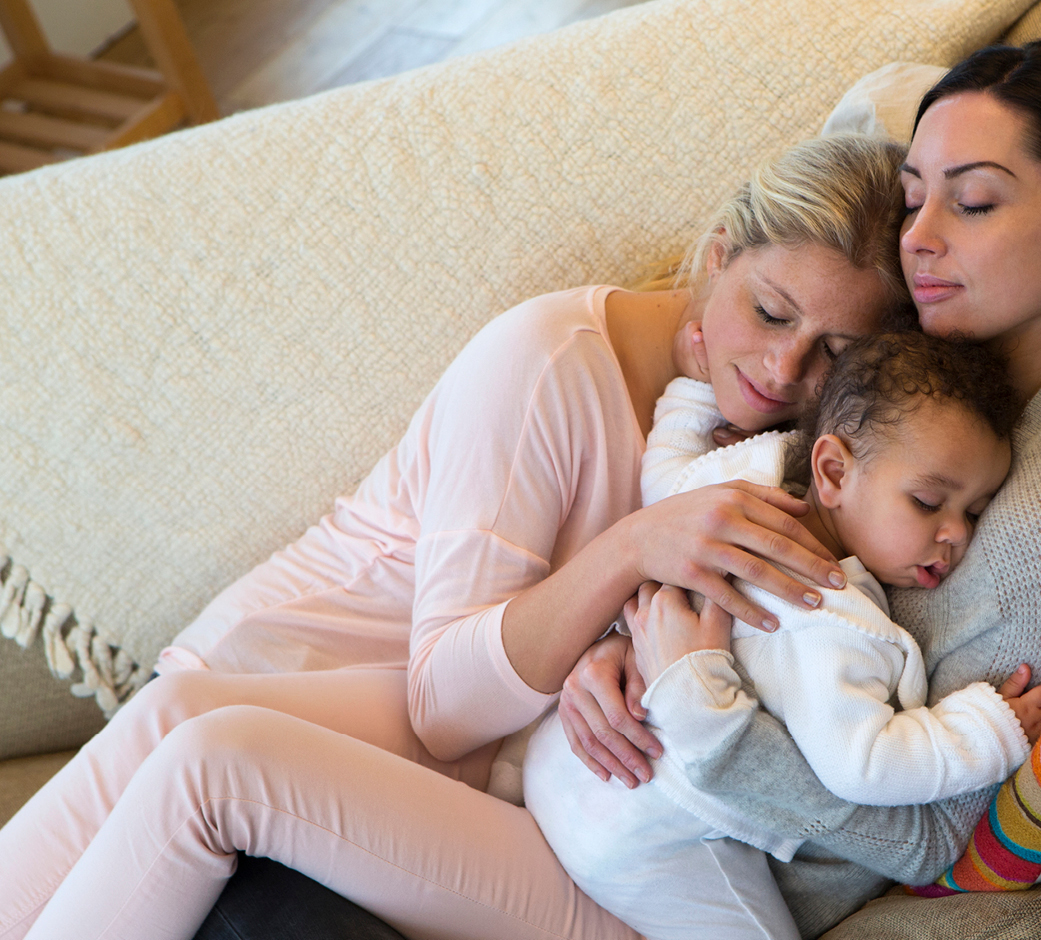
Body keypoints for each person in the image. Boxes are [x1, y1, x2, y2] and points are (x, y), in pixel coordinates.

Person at [0, 133, 913, 940]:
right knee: (180, 718)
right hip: (328, 701)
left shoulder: (798, 459)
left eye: (835, 352)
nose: (784, 367)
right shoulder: (549, 364)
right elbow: (446, 703)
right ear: (718, 257)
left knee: (200, 745)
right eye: (769, 311)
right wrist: (631, 553)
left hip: (552, 830)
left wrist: (622, 602)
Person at [560, 41, 1041, 938]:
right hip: (605, 764)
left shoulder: (1035, 535)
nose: (919, 238)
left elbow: (926, 828)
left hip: (691, 869)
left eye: (972, 202)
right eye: (914, 197)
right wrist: (619, 637)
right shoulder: (903, 360)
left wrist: (695, 706)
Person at [523, 331, 1041, 940]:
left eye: (974, 512)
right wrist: (991, 731)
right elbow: (864, 765)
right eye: (927, 502)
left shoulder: (737, 482)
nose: (955, 535)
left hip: (557, 758)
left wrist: (693, 395)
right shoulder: (831, 620)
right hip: (647, 835)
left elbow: (666, 480)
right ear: (832, 471)